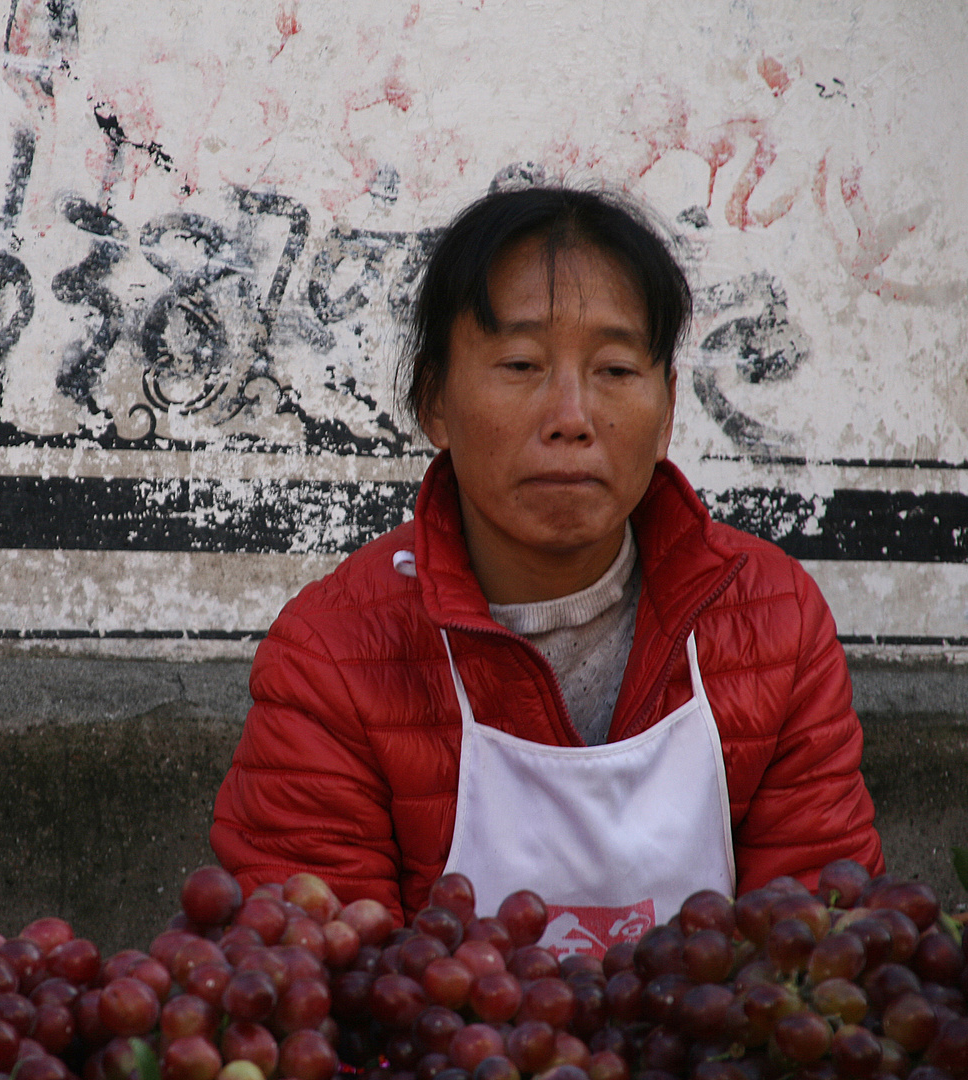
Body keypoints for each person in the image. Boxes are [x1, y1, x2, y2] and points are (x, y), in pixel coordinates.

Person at [210, 185, 883, 955]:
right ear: (435, 401)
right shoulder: (332, 655)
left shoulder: (773, 621)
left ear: (666, 414)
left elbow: (818, 958)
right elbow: (328, 986)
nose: (572, 416)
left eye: (618, 370)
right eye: (522, 363)